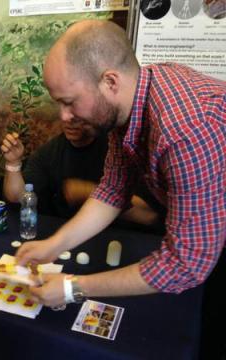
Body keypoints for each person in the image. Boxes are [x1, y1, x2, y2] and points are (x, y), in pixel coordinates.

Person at [14, 20, 226, 358]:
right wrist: (55, 244)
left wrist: (73, 288)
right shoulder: (125, 102)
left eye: (69, 102)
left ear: (110, 81)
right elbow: (112, 190)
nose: (64, 116)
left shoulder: (183, 130)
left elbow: (187, 263)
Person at [1, 122, 161, 226]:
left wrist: (89, 192)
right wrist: (13, 163)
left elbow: (148, 215)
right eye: (63, 105)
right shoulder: (51, 151)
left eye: (75, 107)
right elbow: (18, 196)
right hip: (66, 238)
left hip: (114, 239)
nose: (69, 119)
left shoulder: (116, 147)